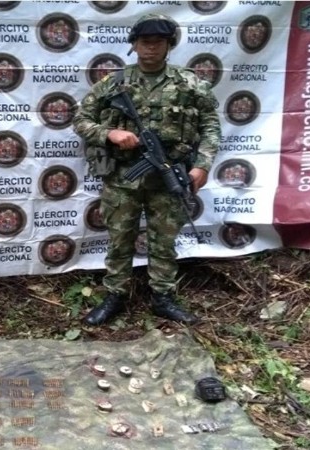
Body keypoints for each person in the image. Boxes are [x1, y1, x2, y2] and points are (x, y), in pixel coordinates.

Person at [73, 14, 221, 326]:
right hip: (122, 177)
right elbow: (81, 120)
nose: (151, 48)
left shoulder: (190, 83)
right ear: (134, 44)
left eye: (158, 42)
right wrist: (110, 134)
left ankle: (162, 297)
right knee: (119, 240)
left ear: (169, 45)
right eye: (145, 42)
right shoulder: (113, 83)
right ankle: (115, 294)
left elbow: (210, 125)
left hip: (168, 176)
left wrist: (202, 165)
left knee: (164, 242)